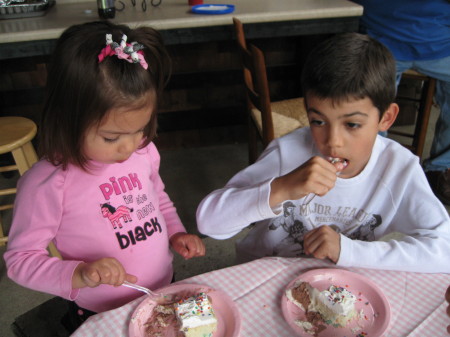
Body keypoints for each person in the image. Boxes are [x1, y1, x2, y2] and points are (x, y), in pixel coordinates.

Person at [4, 21, 205, 332]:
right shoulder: (48, 183)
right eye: (112, 137)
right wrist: (80, 274)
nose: (130, 145)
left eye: (140, 129)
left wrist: (176, 233)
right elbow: (20, 261)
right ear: (67, 119)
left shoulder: (142, 150)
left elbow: (158, 198)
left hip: (161, 286)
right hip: (99, 310)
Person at [196, 33, 450, 273]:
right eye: (318, 121)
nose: (333, 142)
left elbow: (444, 251)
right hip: (264, 275)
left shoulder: (398, 169)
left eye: (352, 124)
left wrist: (349, 250)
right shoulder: (288, 153)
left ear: (386, 118)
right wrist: (282, 188)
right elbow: (209, 223)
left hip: (341, 286)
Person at [351, 0, 450, 205]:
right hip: (380, 35)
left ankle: (440, 170)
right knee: (369, 105)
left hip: (441, 40)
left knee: (369, 105)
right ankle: (373, 168)